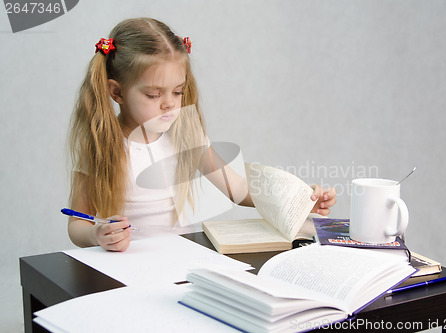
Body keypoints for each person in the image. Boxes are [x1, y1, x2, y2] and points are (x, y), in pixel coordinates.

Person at [67, 17, 336, 252]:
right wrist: (95, 234)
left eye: (177, 91)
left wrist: (299, 200)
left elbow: (239, 190)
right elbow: (77, 222)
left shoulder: (186, 137)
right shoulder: (100, 146)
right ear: (117, 92)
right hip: (126, 270)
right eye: (153, 94)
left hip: (181, 262)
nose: (169, 104)